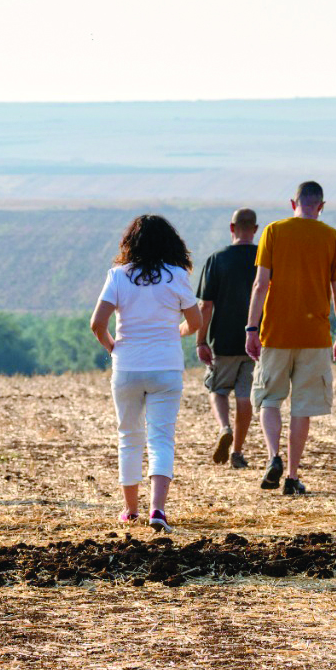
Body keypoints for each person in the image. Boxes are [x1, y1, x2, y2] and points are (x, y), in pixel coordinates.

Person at [90, 214, 203, 532]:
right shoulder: (177, 275)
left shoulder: (117, 276)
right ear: (170, 243)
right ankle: (158, 510)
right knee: (161, 438)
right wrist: (175, 333)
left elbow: (97, 324)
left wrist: (114, 349)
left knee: (129, 437)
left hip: (126, 367)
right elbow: (195, 324)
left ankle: (129, 511)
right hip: (166, 367)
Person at [243, 181, 336, 496]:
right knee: (302, 406)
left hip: (275, 332)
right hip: (315, 336)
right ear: (321, 206)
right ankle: (291, 476)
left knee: (270, 399)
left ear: (294, 203)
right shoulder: (332, 237)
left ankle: (274, 456)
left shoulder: (274, 231)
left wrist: (251, 327)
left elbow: (261, 285)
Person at [196, 208, 260, 469]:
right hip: (256, 341)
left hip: (223, 341)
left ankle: (224, 427)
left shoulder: (217, 259)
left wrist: (201, 340)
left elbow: (205, 305)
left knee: (218, 390)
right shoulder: (264, 259)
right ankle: (237, 452)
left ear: (231, 228)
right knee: (245, 397)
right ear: (256, 230)